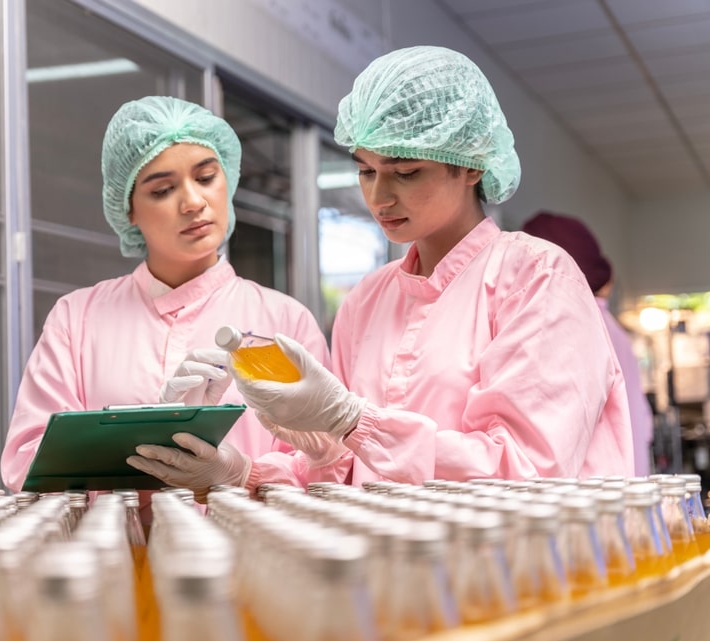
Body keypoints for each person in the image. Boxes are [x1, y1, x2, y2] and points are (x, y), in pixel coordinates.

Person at [229, 45, 634, 484]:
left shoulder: (535, 277)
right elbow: (345, 474)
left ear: (472, 165)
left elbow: (528, 471)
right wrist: (242, 473)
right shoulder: (366, 301)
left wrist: (354, 423)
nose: (379, 198)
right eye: (366, 171)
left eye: (405, 171)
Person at [1, 96, 350, 502]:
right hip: (112, 557)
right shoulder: (77, 319)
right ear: (127, 208)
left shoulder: (285, 320)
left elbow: (333, 468)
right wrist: (143, 447)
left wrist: (240, 473)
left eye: (205, 178)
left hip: (248, 557)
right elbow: (27, 462)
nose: (193, 202)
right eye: (164, 189)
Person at [523, 211, 654, 476]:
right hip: (626, 486)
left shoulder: (566, 323)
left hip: (593, 499)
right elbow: (644, 422)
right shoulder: (612, 327)